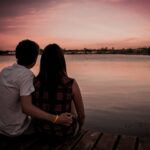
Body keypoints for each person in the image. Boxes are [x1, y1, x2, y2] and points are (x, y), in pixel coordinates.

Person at [0, 40, 72, 137]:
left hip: (2, 127)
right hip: (16, 130)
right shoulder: (27, 76)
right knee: (43, 123)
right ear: (35, 59)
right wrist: (56, 118)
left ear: (16, 56)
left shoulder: (5, 71)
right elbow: (27, 108)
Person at [32, 44, 85, 138]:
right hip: (64, 133)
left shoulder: (35, 82)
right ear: (61, 61)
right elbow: (81, 116)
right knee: (70, 97)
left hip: (41, 132)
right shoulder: (70, 83)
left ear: (43, 61)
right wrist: (80, 128)